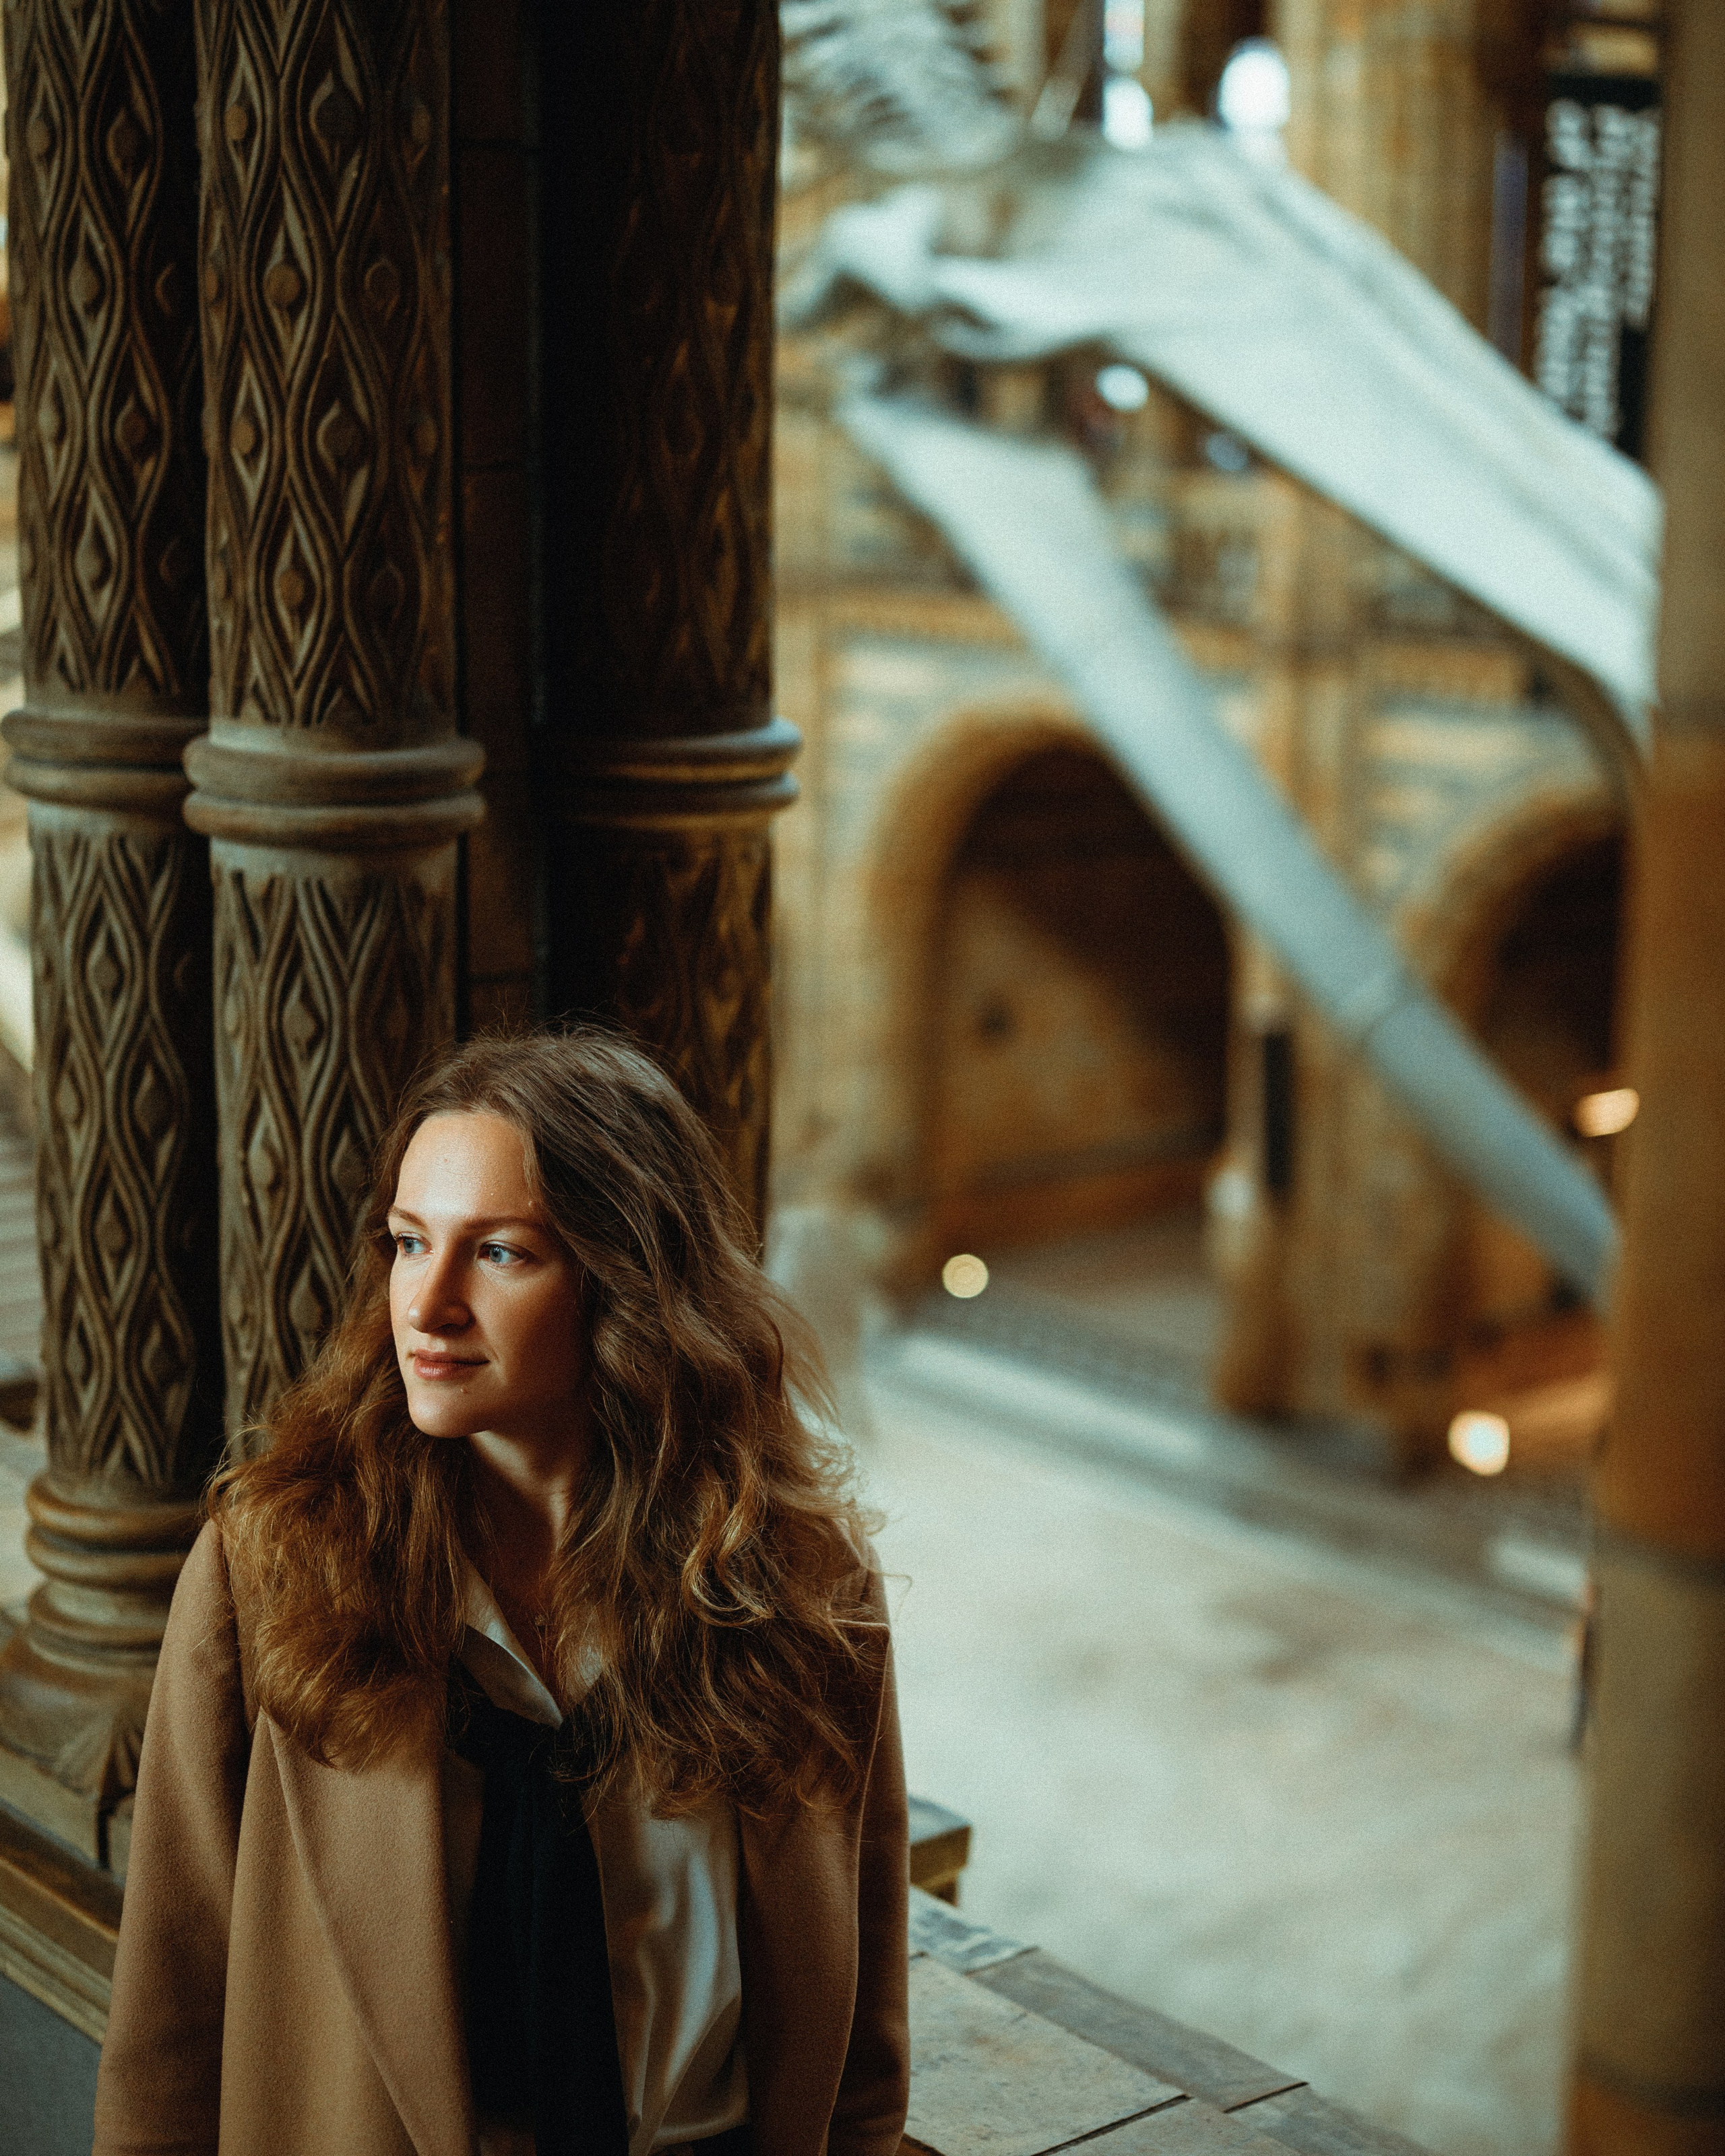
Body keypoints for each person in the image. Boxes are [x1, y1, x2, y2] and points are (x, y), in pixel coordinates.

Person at [93, 1029, 910, 2156]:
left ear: (626, 1280)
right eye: (409, 1242)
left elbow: (861, 2047)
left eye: (501, 1253)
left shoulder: (801, 1589)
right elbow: (169, 2026)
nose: (427, 1305)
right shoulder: (273, 1571)